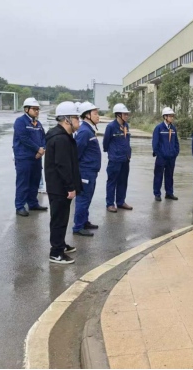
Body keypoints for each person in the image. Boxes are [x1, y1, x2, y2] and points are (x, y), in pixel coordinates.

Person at [44, 101, 82, 264]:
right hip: (59, 187)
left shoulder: (64, 136)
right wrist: (70, 187)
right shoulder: (60, 139)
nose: (78, 121)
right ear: (67, 119)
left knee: (61, 218)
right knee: (59, 219)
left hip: (59, 186)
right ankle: (56, 252)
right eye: (76, 118)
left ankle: (60, 243)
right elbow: (62, 165)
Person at [13, 97, 47, 216]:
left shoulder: (38, 124)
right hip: (24, 158)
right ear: (26, 109)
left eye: (38, 109)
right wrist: (38, 149)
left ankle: (33, 203)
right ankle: (20, 206)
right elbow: (24, 138)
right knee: (23, 182)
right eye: (34, 109)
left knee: (35, 182)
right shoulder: (20, 122)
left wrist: (42, 149)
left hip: (36, 158)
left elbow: (43, 138)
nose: (37, 111)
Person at [72, 101, 102, 236]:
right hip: (85, 171)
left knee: (87, 198)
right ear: (87, 115)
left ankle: (84, 221)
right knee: (83, 199)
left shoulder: (89, 129)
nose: (98, 116)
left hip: (91, 171)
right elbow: (76, 152)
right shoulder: (84, 131)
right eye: (95, 113)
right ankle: (78, 227)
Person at [103, 103, 133, 213]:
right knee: (112, 181)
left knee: (123, 181)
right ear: (118, 115)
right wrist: (112, 152)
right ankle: (110, 204)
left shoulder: (126, 126)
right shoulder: (111, 127)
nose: (127, 116)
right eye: (125, 114)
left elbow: (127, 140)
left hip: (125, 158)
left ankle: (121, 202)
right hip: (115, 159)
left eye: (127, 114)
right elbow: (106, 142)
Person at [152, 107, 180, 201]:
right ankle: (157, 194)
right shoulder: (159, 128)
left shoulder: (173, 128)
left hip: (171, 157)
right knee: (158, 175)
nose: (172, 118)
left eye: (172, 116)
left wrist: (175, 152)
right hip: (161, 157)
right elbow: (155, 143)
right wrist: (159, 154)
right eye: (170, 116)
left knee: (169, 176)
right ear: (165, 117)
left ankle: (169, 193)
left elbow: (176, 142)